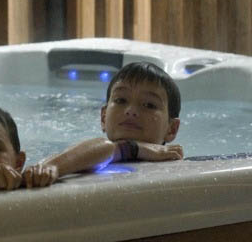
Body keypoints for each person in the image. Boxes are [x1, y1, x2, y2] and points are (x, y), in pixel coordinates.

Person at [24, 61, 184, 188]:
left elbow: (107, 148)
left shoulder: (174, 169)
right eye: (121, 100)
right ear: (103, 117)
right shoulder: (85, 154)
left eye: (149, 105)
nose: (131, 111)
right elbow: (105, 148)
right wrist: (134, 148)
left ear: (172, 129)